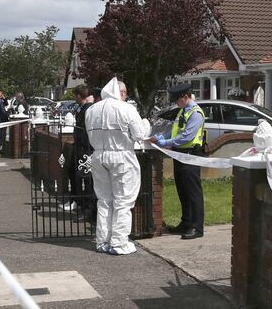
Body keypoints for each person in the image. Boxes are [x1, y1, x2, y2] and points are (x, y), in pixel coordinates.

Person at [85, 78, 150, 255]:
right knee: (123, 200)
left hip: (98, 155)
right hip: (122, 155)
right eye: (125, 92)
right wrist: (146, 124)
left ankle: (103, 240)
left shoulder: (92, 110)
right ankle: (119, 242)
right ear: (120, 92)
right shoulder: (127, 108)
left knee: (104, 200)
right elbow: (139, 134)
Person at [150, 82, 206, 240]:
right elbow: (175, 130)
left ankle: (197, 227)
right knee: (182, 190)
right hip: (180, 155)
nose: (176, 103)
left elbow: (186, 136)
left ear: (185, 96)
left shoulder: (195, 113)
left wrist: (165, 143)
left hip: (190, 154)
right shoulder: (183, 111)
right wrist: (163, 137)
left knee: (193, 192)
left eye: (177, 100)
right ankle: (186, 222)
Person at [64, 84, 96, 219]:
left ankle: (88, 209)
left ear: (78, 95)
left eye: (75, 95)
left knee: (85, 179)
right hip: (80, 148)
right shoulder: (83, 108)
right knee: (77, 176)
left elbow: (85, 130)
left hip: (86, 149)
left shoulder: (87, 109)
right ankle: (79, 202)